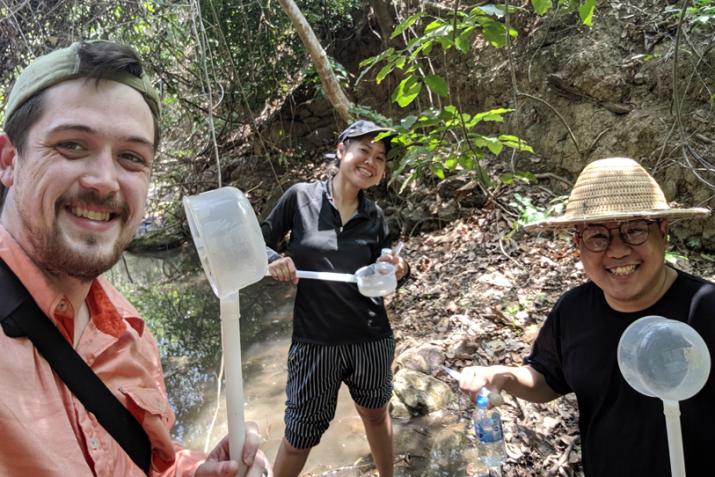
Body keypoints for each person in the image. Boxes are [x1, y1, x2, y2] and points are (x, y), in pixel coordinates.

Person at [0, 40, 270, 477]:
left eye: (130, 157)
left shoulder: (129, 330)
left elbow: (147, 464)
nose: (105, 182)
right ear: (10, 160)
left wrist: (195, 472)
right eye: (72, 145)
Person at [459, 157, 714, 477]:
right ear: (578, 244)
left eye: (634, 230)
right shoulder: (573, 311)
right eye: (598, 236)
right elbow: (546, 379)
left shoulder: (704, 309)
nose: (618, 251)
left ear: (662, 232)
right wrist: (506, 376)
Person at [261, 120, 409, 477]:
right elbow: (257, 240)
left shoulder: (375, 217)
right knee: (299, 437)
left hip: (370, 338)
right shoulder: (299, 198)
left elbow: (385, 275)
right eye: (364, 151)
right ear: (342, 151)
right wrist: (272, 261)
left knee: (376, 413)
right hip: (315, 342)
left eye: (380, 157)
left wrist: (398, 270)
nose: (371, 161)